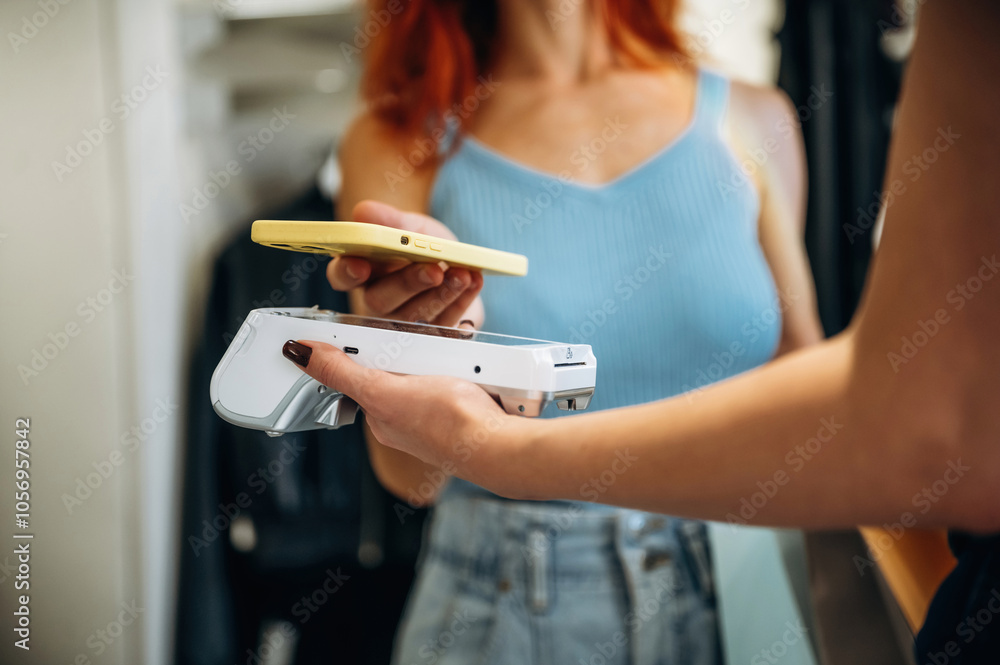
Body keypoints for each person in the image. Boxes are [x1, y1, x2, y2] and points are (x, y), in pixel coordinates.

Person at [286, 0, 1000, 661]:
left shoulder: (750, 118)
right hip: (509, 604)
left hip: (751, 588)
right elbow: (413, 475)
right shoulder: (400, 138)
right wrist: (429, 351)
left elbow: (825, 398)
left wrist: (504, 446)